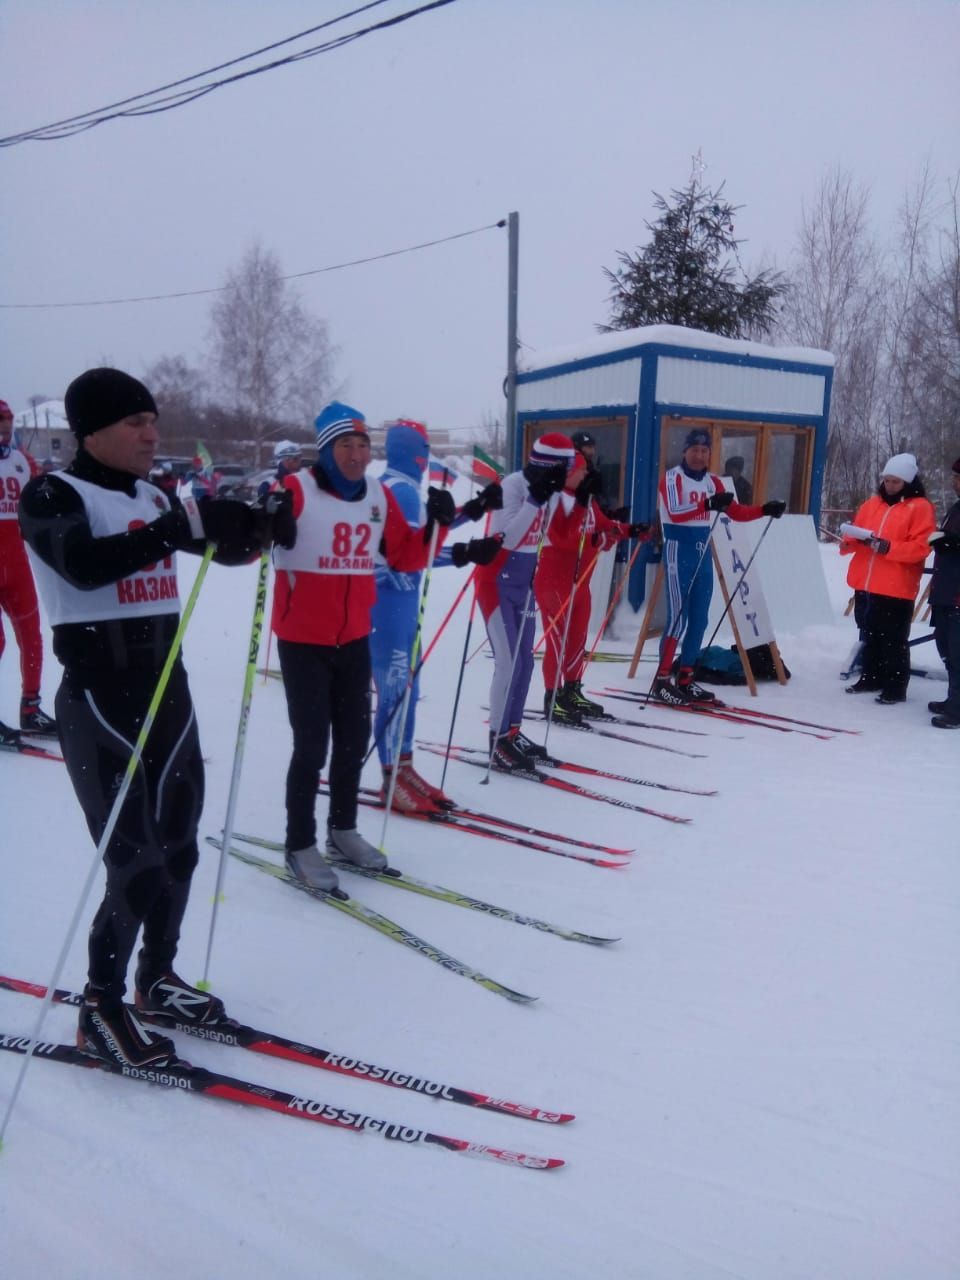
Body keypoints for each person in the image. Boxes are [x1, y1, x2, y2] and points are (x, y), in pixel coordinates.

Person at [19, 367, 280, 1068]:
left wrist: (253, 529)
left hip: (169, 692)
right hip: (100, 697)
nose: (150, 433)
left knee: (182, 846)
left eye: (152, 420)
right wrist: (175, 526)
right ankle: (100, 1008)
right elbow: (81, 564)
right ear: (92, 430)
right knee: (133, 862)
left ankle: (156, 979)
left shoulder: (149, 493)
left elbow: (212, 547)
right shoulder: (51, 493)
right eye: (135, 422)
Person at [271, 401, 458, 888]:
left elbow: (406, 556)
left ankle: (343, 831)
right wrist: (262, 521)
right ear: (327, 449)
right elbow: (256, 542)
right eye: (345, 445)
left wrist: (437, 526)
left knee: (353, 742)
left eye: (362, 445)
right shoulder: (298, 488)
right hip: (303, 640)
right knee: (312, 746)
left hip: (353, 637)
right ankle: (299, 844)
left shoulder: (377, 495)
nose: (355, 454)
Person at [370, 419, 501, 814]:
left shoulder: (400, 487)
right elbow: (409, 558)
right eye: (424, 449)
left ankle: (404, 768)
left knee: (407, 688)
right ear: (414, 452)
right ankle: (392, 777)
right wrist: (464, 553)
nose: (428, 457)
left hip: (398, 607)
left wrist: (473, 510)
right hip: (389, 605)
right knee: (395, 691)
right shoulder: (400, 493)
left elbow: (429, 533)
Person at [653, 428, 786, 705]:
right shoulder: (672, 478)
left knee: (700, 621)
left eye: (704, 451)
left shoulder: (714, 482)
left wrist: (764, 509)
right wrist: (708, 504)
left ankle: (687, 678)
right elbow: (676, 513)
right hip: (679, 550)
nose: (699, 456)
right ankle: (662, 679)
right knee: (678, 620)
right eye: (694, 450)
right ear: (685, 451)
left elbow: (735, 512)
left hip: (702, 552)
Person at [475, 433, 573, 769]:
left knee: (526, 662)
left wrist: (586, 499)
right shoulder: (513, 487)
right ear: (547, 466)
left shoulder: (548, 491)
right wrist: (535, 501)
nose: (565, 476)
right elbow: (508, 539)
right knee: (507, 662)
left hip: (523, 583)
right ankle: (497, 739)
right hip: (495, 582)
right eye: (563, 468)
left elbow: (565, 529)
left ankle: (512, 732)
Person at [536, 450, 648, 723]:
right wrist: (597, 538)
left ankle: (571, 691)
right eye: (582, 470)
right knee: (557, 643)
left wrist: (631, 530)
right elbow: (564, 539)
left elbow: (606, 526)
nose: (586, 474)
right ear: (569, 471)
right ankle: (552, 697)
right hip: (554, 583)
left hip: (580, 583)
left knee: (576, 641)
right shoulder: (554, 500)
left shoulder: (586, 501)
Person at [840, 453, 936, 704]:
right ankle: (871, 677)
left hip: (896, 586)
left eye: (896, 481)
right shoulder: (872, 504)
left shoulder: (921, 507)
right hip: (866, 583)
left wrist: (888, 548)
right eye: (887, 480)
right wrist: (850, 539)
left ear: (909, 482)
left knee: (894, 641)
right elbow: (857, 533)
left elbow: (921, 548)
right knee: (869, 634)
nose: (890, 486)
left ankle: (894, 687)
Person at [0, 398, 57, 747]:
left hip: (17, 565)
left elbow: (42, 505)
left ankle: (30, 709)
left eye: (7, 420)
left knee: (33, 637)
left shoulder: (25, 462)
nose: (4, 426)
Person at [927, 455, 960, 729]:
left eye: (959, 478)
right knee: (947, 648)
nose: (955, 483)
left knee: (958, 652)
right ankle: (953, 699)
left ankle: (958, 709)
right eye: (955, 478)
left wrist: (954, 544)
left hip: (957, 593)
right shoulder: (957, 507)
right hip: (946, 589)